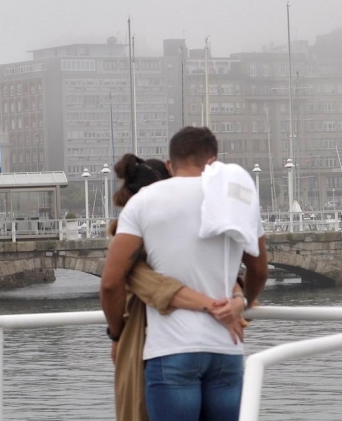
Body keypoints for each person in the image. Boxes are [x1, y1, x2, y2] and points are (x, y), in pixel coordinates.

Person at [101, 126, 268, 421]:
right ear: (213, 161)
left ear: (169, 164)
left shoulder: (143, 202)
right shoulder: (236, 200)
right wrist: (242, 303)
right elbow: (258, 269)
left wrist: (116, 334)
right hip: (226, 347)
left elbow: (112, 283)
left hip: (171, 349)